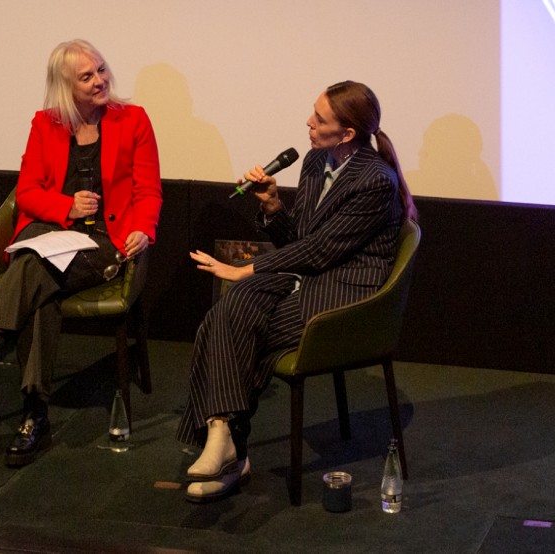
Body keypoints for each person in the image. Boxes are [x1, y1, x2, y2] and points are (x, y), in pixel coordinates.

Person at [178, 81, 417, 502]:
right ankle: (222, 436)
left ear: (346, 134)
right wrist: (272, 206)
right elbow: (300, 242)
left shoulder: (374, 182)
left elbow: (323, 251)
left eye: (320, 119)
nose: (308, 122)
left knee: (244, 330)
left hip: (348, 290)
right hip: (308, 274)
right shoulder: (312, 162)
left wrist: (246, 268)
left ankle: (229, 450)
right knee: (229, 312)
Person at [0, 39, 162, 467]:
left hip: (104, 244)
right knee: (40, 276)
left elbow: (148, 191)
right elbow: (28, 192)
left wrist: (143, 230)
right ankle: (33, 413)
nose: (100, 81)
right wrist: (66, 206)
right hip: (52, 234)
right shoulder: (46, 124)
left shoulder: (134, 121)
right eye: (86, 76)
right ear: (65, 87)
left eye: (102, 70)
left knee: (35, 271)